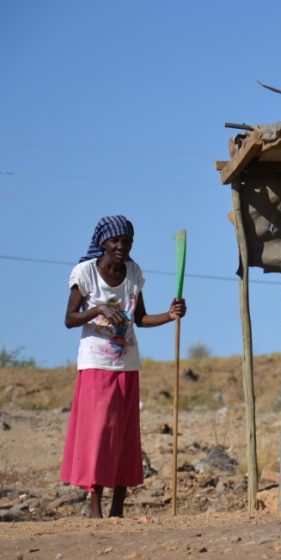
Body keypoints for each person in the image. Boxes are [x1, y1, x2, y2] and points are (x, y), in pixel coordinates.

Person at [61, 215, 186, 518]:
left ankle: (118, 507)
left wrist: (170, 315)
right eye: (115, 241)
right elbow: (70, 319)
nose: (121, 246)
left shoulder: (133, 272)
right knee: (98, 434)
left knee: (125, 435)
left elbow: (140, 319)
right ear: (102, 243)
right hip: (96, 364)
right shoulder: (86, 273)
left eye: (126, 241)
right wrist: (99, 309)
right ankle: (95, 506)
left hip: (127, 365)